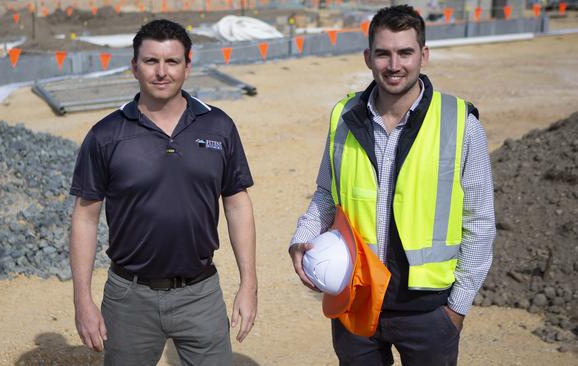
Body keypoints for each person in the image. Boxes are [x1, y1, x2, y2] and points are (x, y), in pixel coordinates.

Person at [289, 5, 495, 365]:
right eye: (383, 53)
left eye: (405, 52)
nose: (394, 64)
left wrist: (456, 310)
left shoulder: (461, 124)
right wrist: (301, 237)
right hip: (357, 300)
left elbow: (479, 223)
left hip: (428, 313)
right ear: (368, 57)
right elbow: (326, 193)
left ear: (424, 55)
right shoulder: (344, 117)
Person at [69, 19, 257, 366]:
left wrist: (249, 284)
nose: (161, 72)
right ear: (134, 67)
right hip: (129, 298)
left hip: (200, 294)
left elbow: (236, 203)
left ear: (188, 65)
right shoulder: (106, 134)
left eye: (171, 61)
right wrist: (83, 300)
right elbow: (85, 216)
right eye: (151, 61)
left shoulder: (219, 126)